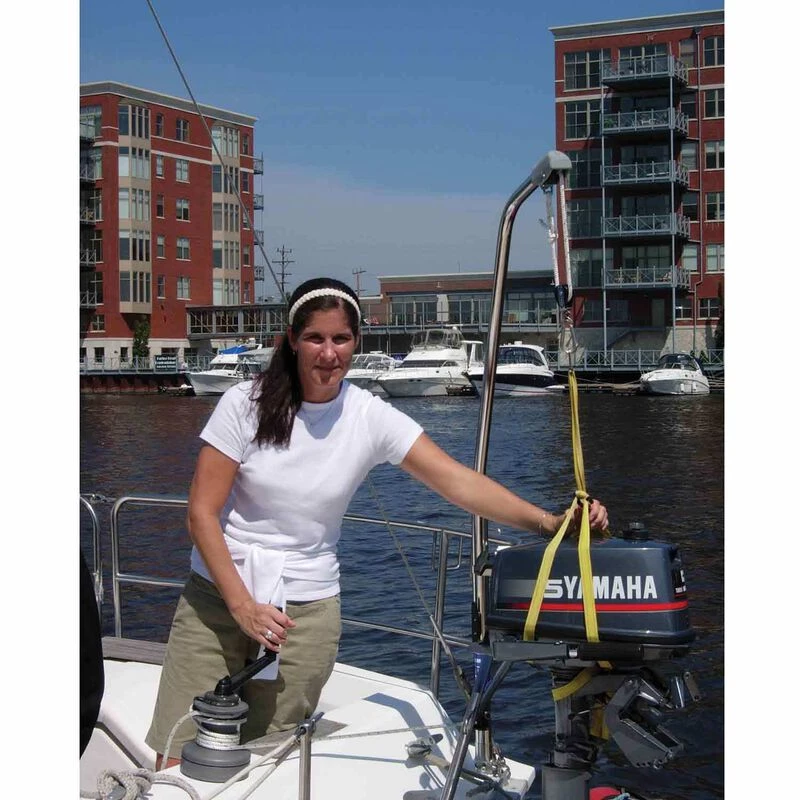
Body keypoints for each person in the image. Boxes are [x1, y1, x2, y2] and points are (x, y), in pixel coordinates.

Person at [146, 277, 608, 764]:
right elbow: (201, 513)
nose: (329, 353)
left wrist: (549, 523)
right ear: (291, 340)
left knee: (266, 762)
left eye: (341, 339)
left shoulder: (368, 416)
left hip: (303, 613)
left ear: (356, 342)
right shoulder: (245, 403)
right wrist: (242, 606)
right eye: (315, 338)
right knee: (178, 752)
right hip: (217, 599)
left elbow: (456, 481)